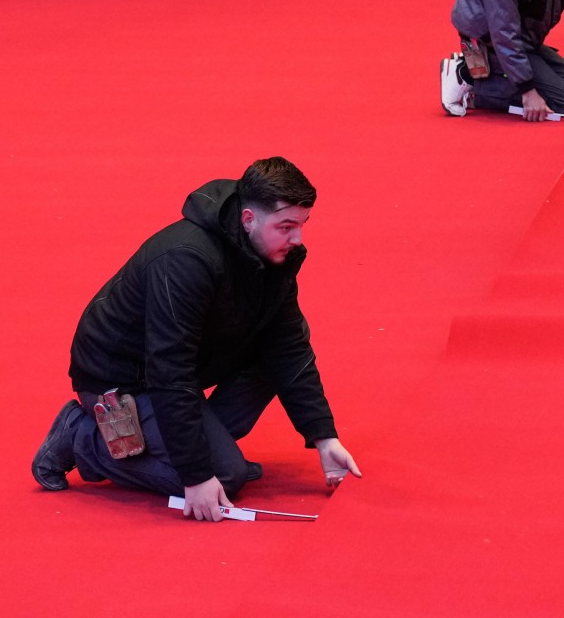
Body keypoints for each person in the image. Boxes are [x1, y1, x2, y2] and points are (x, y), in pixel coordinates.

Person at [30, 156, 361, 522]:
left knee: (273, 353)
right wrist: (197, 473)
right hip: (121, 378)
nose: (297, 239)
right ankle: (81, 438)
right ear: (248, 219)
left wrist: (323, 437)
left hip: (185, 361)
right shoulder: (186, 259)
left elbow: (288, 345)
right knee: (226, 477)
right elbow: (169, 373)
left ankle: (198, 444)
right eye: (286, 227)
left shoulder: (273, 254)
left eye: (302, 225)